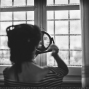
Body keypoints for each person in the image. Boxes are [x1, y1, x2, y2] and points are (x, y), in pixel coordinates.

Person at [3, 24, 69, 87]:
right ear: (35, 46)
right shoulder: (52, 74)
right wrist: (55, 55)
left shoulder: (7, 73)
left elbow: (18, 61)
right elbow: (64, 70)